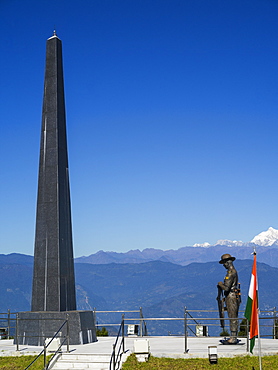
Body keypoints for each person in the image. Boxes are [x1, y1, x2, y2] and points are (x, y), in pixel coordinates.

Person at [217, 253, 241, 344]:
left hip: (231, 296)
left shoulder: (231, 273)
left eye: (224, 263)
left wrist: (220, 284)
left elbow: (226, 287)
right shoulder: (232, 272)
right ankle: (233, 336)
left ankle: (233, 337)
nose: (223, 265)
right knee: (232, 316)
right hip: (232, 296)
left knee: (233, 317)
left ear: (228, 262)